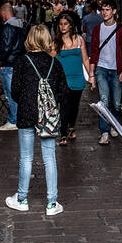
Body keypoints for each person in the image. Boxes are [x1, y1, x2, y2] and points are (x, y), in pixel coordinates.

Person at [5, 24, 67, 216]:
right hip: (47, 116)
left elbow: (14, 91)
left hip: (26, 113)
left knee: (26, 158)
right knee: (49, 158)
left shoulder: (22, 62)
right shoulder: (54, 63)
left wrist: (27, 101)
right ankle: (51, 203)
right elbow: (62, 91)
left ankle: (22, 199)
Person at [88, 0, 122, 145]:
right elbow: (93, 52)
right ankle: (104, 132)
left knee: (117, 103)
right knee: (104, 101)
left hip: (117, 69)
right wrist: (91, 74)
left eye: (107, 10)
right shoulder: (97, 30)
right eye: (103, 10)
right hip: (101, 68)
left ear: (114, 11)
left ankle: (114, 125)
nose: (104, 12)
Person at [53, 11, 90, 145]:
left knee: (74, 106)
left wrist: (91, 76)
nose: (62, 26)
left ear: (70, 25)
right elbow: (50, 61)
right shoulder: (56, 42)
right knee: (64, 106)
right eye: (60, 24)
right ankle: (63, 134)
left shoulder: (79, 40)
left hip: (78, 78)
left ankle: (71, 127)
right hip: (63, 80)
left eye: (65, 24)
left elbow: (85, 59)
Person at [0, 2, 26, 131]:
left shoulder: (8, 27)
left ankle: (13, 120)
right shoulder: (21, 25)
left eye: (1, 14)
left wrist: (0, 63)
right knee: (16, 92)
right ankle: (17, 118)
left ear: (4, 13)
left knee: (10, 93)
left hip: (8, 64)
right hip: (17, 62)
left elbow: (6, 47)